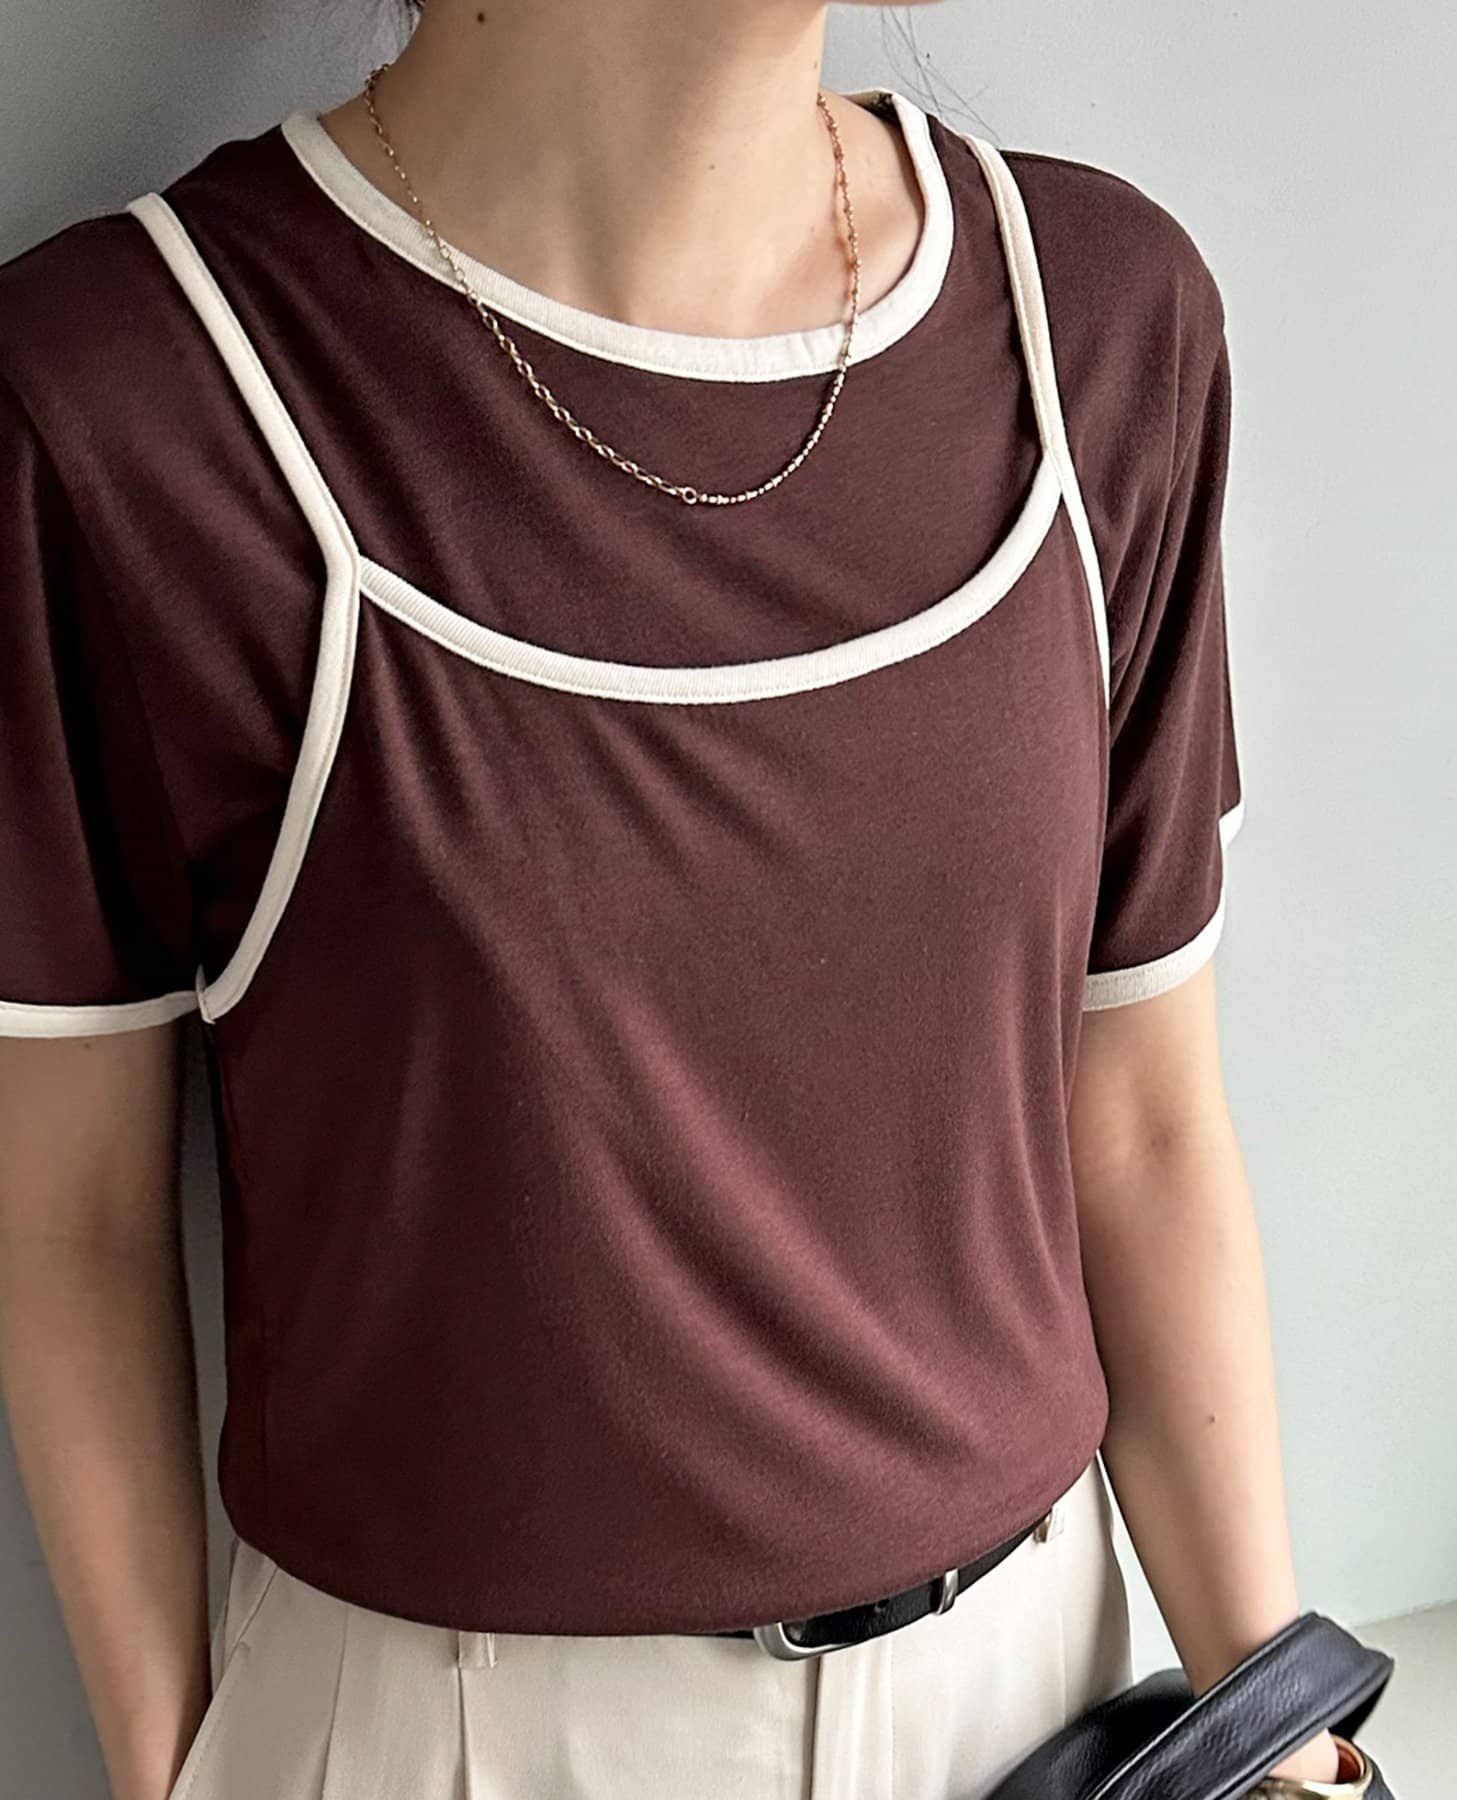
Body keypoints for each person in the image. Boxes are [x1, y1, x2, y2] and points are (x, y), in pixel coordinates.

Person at [0, 1, 1356, 1796]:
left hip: (1056, 1702)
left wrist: (1277, 1733)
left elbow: (1146, 1124)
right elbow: (74, 1217)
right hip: (456, 1735)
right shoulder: (129, 390)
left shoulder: (1096, 325)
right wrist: (178, 1769)